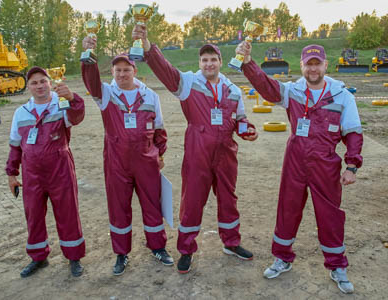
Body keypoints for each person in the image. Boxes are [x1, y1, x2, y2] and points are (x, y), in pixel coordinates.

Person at [236, 43, 363, 294]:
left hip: (325, 162)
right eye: (308, 64)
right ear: (302, 66)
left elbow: (353, 132)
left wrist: (352, 165)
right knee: (287, 209)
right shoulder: (292, 91)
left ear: (325, 65)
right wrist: (248, 62)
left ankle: (337, 265)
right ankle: (282, 257)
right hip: (295, 158)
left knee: (330, 215)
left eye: (317, 63)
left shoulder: (342, 95)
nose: (313, 68)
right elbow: (265, 86)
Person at [132, 25, 259, 274]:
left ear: (221, 62)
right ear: (199, 62)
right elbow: (165, 70)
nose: (209, 64)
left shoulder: (233, 90)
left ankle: (231, 243)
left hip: (226, 152)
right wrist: (147, 47)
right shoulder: (188, 82)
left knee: (228, 198)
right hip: (197, 151)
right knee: (192, 201)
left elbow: (241, 118)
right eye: (204, 60)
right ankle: (187, 250)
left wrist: (247, 128)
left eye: (213, 59)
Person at [81, 38, 173, 276]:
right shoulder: (106, 94)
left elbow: (160, 130)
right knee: (119, 207)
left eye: (126, 69)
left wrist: (160, 154)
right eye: (118, 70)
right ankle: (121, 254)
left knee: (152, 205)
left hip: (146, 161)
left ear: (135, 70)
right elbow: (90, 81)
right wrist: (88, 54)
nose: (122, 74)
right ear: (112, 72)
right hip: (117, 162)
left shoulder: (151, 96)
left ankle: (158, 247)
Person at [5, 67, 86, 278]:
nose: (39, 86)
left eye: (43, 81)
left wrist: (73, 97)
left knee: (67, 213)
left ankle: (74, 257)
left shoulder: (60, 106)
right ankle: (38, 257)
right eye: (34, 83)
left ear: (50, 83)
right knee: (34, 216)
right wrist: (12, 173)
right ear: (28, 86)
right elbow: (15, 146)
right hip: (32, 174)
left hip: (60, 169)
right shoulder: (21, 112)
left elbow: (77, 117)